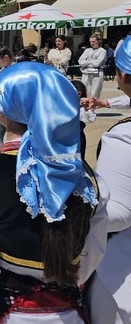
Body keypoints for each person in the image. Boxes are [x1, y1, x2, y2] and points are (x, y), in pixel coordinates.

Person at [0, 62, 107, 321]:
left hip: (3, 313)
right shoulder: (90, 181)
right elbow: (89, 260)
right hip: (69, 313)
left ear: (7, 108)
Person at [86, 37, 131, 321]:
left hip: (121, 271)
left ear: (123, 75)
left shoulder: (122, 138)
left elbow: (118, 214)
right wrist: (106, 101)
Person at [70, 80, 94, 160]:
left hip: (77, 139)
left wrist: (86, 109)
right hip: (64, 139)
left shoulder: (82, 108)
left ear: (79, 94)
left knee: (79, 160)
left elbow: (90, 119)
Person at [79, 33, 107, 98]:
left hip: (97, 73)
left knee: (94, 93)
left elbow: (98, 63)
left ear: (98, 41)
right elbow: (80, 61)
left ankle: (92, 107)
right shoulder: (87, 50)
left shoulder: (102, 51)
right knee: (85, 91)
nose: (92, 43)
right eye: (90, 42)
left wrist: (87, 62)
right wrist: (91, 62)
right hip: (86, 73)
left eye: (93, 41)